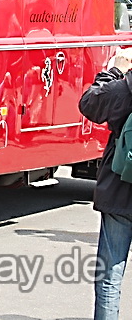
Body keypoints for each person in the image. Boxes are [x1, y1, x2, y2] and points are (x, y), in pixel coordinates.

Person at [79, 47, 132, 320]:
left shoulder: (123, 89)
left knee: (110, 273)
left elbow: (88, 103)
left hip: (121, 191)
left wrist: (114, 70)